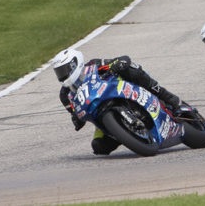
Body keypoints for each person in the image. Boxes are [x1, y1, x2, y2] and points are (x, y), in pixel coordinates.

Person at [53, 48, 189, 155]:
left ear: (75, 64)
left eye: (64, 70)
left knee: (132, 70)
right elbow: (74, 113)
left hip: (119, 91)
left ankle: (169, 98)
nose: (62, 75)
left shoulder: (93, 65)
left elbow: (121, 60)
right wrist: (77, 119)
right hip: (99, 113)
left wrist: (118, 64)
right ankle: (126, 135)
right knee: (99, 147)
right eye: (59, 72)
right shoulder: (65, 94)